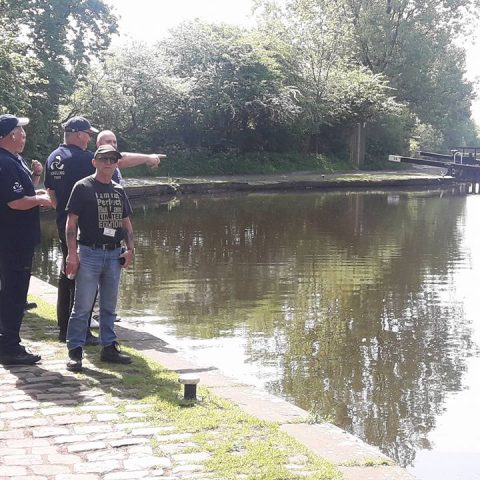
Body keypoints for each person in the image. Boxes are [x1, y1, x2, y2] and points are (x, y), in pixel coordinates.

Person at [45, 117, 166, 344]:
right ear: (79, 134)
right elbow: (118, 160)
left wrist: (63, 210)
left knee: (67, 275)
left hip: (65, 222)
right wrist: (148, 158)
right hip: (86, 230)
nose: (89, 138)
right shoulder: (81, 159)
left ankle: (65, 329)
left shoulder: (53, 157)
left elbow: (50, 192)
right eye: (88, 134)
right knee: (83, 281)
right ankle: (78, 334)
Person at [64, 144, 134, 371]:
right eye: (104, 159)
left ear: (117, 163)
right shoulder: (83, 187)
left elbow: (126, 223)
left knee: (109, 306)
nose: (108, 163)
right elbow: (71, 223)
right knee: (82, 306)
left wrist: (130, 249)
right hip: (89, 252)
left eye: (113, 159)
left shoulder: (118, 190)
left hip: (114, 254)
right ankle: (75, 351)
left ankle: (109, 348)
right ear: (94, 162)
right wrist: (72, 254)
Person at [0, 114, 53, 365]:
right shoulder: (5, 163)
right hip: (13, 241)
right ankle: (10, 347)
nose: (24, 135)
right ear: (11, 135)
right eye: (21, 131)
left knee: (13, 292)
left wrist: (34, 180)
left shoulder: (13, 160)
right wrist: (42, 199)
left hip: (17, 238)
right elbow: (15, 202)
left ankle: (8, 341)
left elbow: (22, 192)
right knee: (14, 293)